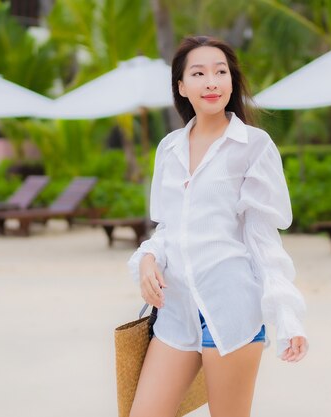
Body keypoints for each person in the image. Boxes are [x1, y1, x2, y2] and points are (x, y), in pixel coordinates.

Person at [127, 35, 308, 417]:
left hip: (231, 309)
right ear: (181, 86)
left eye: (220, 72)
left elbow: (262, 240)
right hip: (175, 311)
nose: (212, 82)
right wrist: (146, 260)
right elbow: (168, 229)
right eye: (199, 73)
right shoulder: (169, 148)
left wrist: (287, 315)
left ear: (232, 80)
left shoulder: (253, 145)